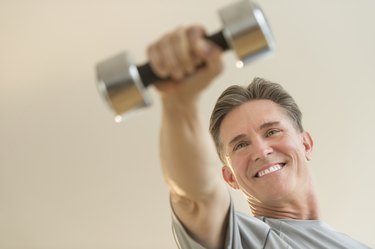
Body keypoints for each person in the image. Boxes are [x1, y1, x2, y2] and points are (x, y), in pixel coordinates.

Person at [147, 25, 371, 249]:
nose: (261, 151)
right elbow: (197, 196)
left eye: (272, 132)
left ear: (306, 144)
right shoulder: (243, 239)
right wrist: (179, 102)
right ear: (230, 177)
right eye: (241, 145)